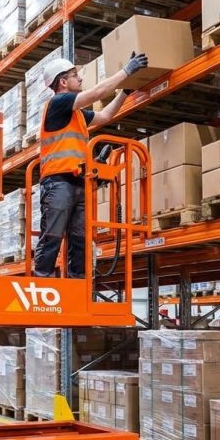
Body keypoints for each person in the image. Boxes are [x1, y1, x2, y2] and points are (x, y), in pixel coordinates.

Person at [32, 52, 149, 278]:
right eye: (75, 75)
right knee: (52, 236)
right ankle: (41, 282)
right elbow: (98, 93)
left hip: (79, 182)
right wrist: (127, 70)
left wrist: (125, 92)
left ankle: (78, 287)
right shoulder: (58, 103)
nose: (80, 78)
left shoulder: (76, 114)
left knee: (80, 240)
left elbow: (104, 116)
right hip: (58, 183)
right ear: (63, 82)